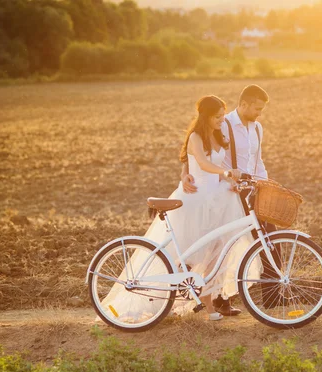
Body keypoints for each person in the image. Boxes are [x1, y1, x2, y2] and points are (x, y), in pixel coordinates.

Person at [101, 95, 254, 321]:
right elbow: (201, 163)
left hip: (218, 199)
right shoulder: (195, 136)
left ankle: (209, 305)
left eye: (223, 116)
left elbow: (219, 163)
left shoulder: (217, 134)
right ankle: (162, 297)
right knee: (188, 254)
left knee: (216, 252)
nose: (222, 120)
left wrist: (229, 180)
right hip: (196, 199)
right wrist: (225, 173)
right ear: (206, 116)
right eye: (218, 117)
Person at [182, 84, 282, 313]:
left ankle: (274, 297)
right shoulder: (222, 123)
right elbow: (197, 148)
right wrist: (184, 172)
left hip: (251, 188)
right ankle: (219, 297)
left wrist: (265, 184)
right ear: (244, 103)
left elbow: (258, 161)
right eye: (257, 108)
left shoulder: (258, 128)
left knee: (271, 237)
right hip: (227, 192)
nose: (260, 113)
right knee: (228, 245)